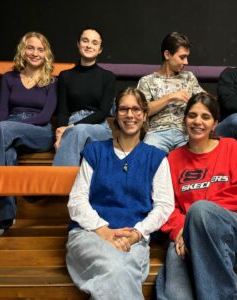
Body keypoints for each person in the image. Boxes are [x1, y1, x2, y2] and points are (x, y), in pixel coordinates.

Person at [66, 87, 174, 299]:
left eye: (135, 109)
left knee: (118, 270)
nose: (130, 115)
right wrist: (103, 231)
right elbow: (77, 201)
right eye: (123, 109)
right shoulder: (95, 151)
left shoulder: (157, 157)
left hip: (133, 237)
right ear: (116, 114)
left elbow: (164, 206)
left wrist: (137, 233)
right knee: (118, 268)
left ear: (144, 115)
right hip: (89, 234)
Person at [156, 92, 237, 299]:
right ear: (184, 120)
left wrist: (194, 225)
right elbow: (168, 206)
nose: (198, 121)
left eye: (205, 117)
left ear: (215, 124)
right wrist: (181, 230)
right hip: (186, 237)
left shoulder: (232, 148)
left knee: (200, 209)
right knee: (175, 292)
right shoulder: (172, 159)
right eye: (192, 115)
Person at [0, 32, 57, 235]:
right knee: (7, 153)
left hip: (39, 131)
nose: (35, 53)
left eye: (40, 49)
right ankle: (6, 217)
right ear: (23, 50)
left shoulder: (52, 82)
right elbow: (2, 110)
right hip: (10, 126)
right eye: (30, 47)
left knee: (3, 129)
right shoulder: (9, 78)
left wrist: (6, 126)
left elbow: (45, 116)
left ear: (46, 54)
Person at [53, 27, 115, 166]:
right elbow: (63, 111)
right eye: (85, 41)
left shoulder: (108, 77)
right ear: (78, 44)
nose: (89, 45)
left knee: (78, 131)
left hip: (98, 127)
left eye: (94, 42)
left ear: (100, 49)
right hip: (71, 125)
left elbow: (103, 112)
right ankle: (64, 186)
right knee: (77, 135)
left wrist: (71, 128)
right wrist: (60, 135)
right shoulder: (65, 76)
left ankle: (59, 186)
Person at [137, 32, 204, 152]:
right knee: (147, 156)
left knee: (194, 159)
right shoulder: (147, 81)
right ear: (167, 54)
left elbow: (206, 101)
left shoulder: (189, 77)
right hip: (157, 133)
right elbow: (142, 111)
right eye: (182, 57)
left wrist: (198, 101)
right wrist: (170, 97)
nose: (186, 62)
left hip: (186, 133)